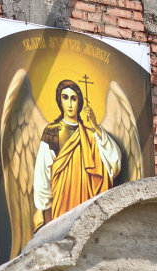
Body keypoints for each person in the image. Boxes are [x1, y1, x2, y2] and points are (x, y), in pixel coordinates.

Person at [32, 78, 121, 230]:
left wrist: (95, 127)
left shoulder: (90, 135)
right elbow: (42, 171)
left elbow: (114, 161)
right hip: (62, 199)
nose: (69, 103)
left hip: (86, 200)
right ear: (59, 100)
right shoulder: (53, 131)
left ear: (79, 101)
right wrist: (41, 208)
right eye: (65, 97)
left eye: (74, 98)